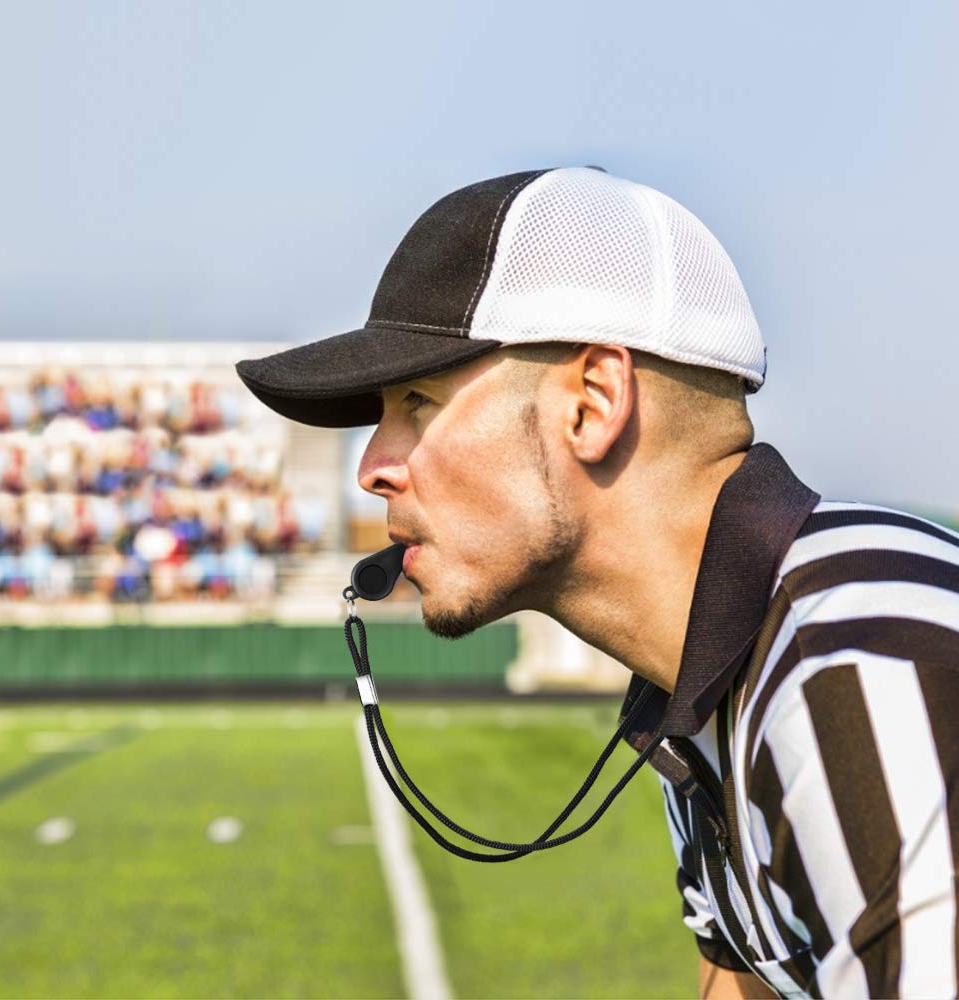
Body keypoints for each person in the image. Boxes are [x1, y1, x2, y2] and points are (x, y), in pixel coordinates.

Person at [235, 166, 959, 999]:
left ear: (593, 401)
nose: (374, 468)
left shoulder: (862, 668)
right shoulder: (701, 680)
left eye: (420, 403)